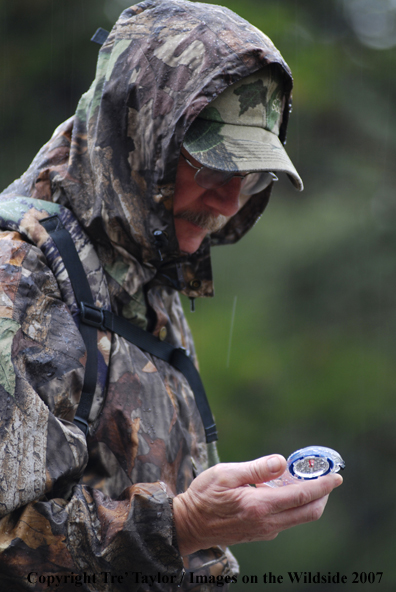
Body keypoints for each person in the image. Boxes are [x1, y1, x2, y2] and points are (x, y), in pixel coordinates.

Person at [0, 0, 342, 590]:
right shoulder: (21, 277)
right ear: (138, 138)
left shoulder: (143, 259)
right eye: (212, 167)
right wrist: (180, 525)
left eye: (251, 175)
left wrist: (214, 526)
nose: (230, 202)